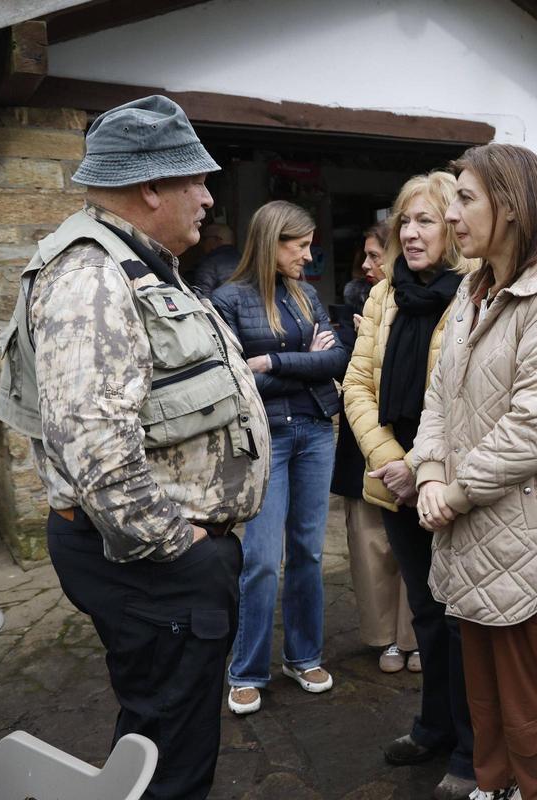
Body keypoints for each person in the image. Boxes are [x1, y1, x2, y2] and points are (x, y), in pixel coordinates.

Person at [0, 95, 269, 800]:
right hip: (154, 563)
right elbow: (96, 450)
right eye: (197, 181)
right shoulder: (91, 276)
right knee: (170, 752)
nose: (208, 198)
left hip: (160, 561)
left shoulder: (135, 260)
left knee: (165, 729)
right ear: (150, 186)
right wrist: (183, 549)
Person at [412, 143, 537, 800]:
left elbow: (535, 426)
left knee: (532, 709)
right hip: (473, 531)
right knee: (486, 700)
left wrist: (454, 492)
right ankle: (493, 788)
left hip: (530, 539)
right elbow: (440, 397)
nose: (451, 214)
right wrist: (429, 471)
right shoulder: (474, 292)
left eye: (466, 199)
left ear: (513, 207)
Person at [342, 171, 474, 800]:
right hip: (393, 479)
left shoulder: (478, 294)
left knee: (463, 618)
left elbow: (474, 404)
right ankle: (433, 726)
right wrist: (390, 459)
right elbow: (356, 385)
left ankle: (473, 747)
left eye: (427, 220)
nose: (413, 234)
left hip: (453, 484)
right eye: (406, 222)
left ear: (454, 225)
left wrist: (423, 469)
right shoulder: (384, 295)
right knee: (425, 612)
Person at [212, 200, 348, 710]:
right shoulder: (227, 299)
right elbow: (234, 379)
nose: (309, 256)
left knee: (309, 553)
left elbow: (336, 359)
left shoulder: (306, 295)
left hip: (315, 432)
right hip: (265, 438)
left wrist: (271, 360)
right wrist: (304, 362)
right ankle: (247, 670)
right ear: (273, 242)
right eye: (301, 245)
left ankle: (303, 655)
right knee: (263, 559)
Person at [330, 221, 418, 675]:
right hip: (362, 440)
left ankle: (413, 636)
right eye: (363, 256)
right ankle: (384, 636)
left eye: (375, 256)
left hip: (412, 436)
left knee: (415, 543)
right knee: (369, 543)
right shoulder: (352, 303)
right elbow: (339, 366)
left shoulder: (427, 300)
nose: (366, 265)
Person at [189, 221, 240, 296]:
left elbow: (203, 297)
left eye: (204, 238)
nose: (201, 243)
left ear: (217, 239)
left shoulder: (208, 264)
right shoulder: (245, 260)